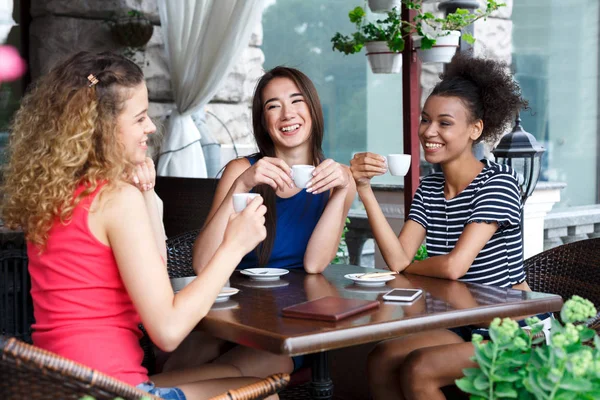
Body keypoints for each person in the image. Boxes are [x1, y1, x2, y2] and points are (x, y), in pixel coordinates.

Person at [1, 51, 287, 400]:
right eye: (139, 118)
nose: (150, 127)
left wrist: (148, 194)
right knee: (264, 394)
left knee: (259, 369)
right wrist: (234, 246)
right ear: (102, 127)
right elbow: (167, 331)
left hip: (61, 384)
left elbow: (157, 278)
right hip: (113, 390)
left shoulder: (54, 193)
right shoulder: (114, 199)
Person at [350, 53, 550, 399]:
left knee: (420, 368)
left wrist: (409, 266)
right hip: (465, 324)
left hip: (517, 329)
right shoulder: (430, 186)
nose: (429, 132)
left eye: (444, 123)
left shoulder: (499, 184)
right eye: (426, 120)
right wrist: (364, 189)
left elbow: (455, 266)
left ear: (475, 129)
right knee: (381, 358)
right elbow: (397, 259)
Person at [193, 66, 356, 275]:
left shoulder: (338, 179)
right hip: (243, 297)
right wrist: (241, 185)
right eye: (273, 106)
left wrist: (342, 190)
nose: (287, 114)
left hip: (302, 302)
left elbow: (315, 265)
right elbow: (202, 264)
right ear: (264, 122)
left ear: (313, 109)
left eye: (297, 101)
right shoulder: (241, 171)